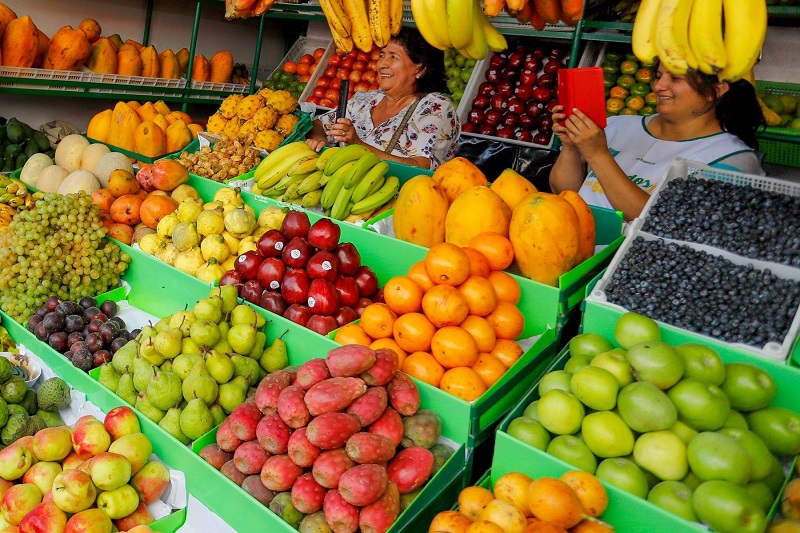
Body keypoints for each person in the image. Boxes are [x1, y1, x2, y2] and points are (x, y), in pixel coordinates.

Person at [549, 62, 765, 221]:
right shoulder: (617, 126)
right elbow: (566, 193)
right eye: (659, 76)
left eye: (676, 78)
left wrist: (598, 155)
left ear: (715, 91)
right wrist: (570, 148)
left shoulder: (731, 160)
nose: (659, 86)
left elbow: (661, 221)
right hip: (575, 256)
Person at [305, 28, 460, 170]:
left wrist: (358, 145)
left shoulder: (435, 108)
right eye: (382, 55)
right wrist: (319, 139)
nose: (382, 64)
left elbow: (421, 168)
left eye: (393, 57)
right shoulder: (366, 100)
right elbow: (318, 124)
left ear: (419, 68)